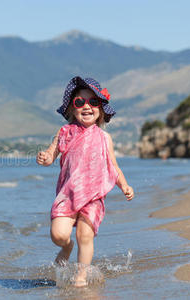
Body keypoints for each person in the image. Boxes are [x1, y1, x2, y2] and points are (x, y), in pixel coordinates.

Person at [36, 76, 134, 287]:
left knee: (85, 235)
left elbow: (113, 167)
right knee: (58, 235)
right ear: (72, 108)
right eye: (79, 102)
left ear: (101, 108)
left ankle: (80, 277)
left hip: (93, 196)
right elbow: (51, 156)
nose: (86, 106)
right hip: (67, 194)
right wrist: (45, 158)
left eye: (93, 102)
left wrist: (124, 185)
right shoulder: (64, 132)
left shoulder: (104, 137)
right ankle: (67, 248)